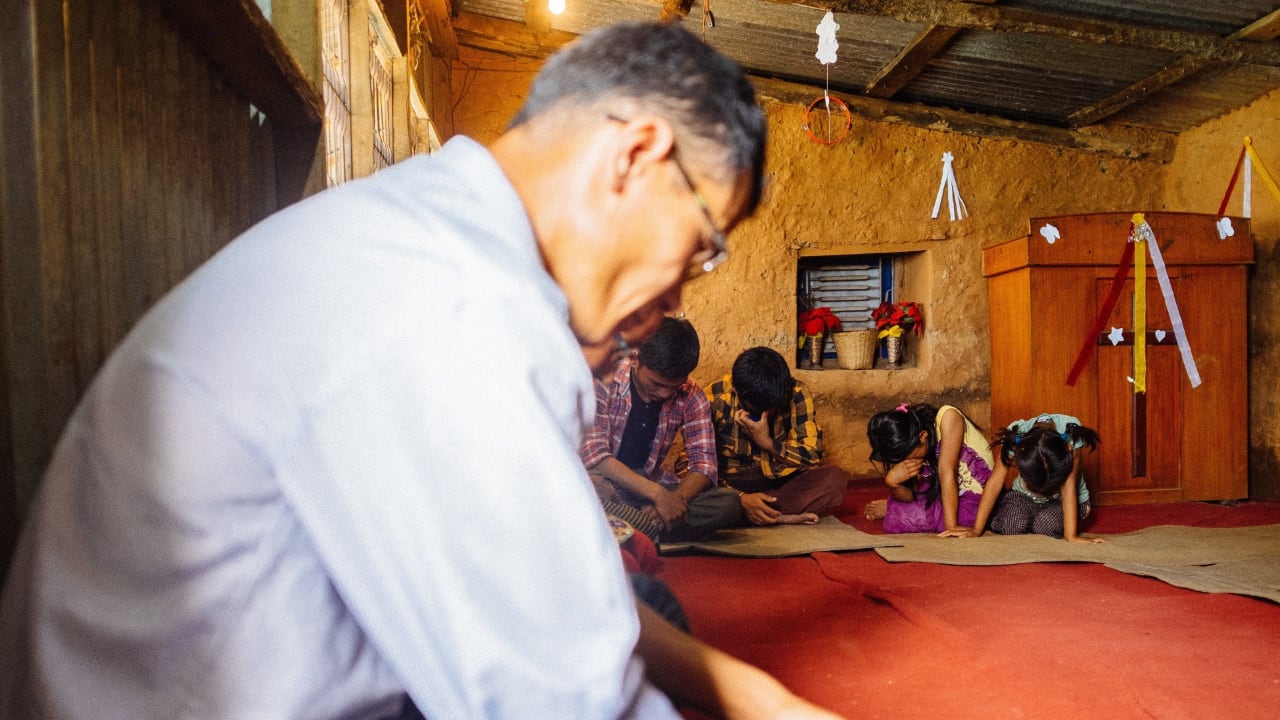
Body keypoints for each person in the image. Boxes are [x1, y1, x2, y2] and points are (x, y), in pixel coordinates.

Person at [0, 22, 843, 720]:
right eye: (700, 249)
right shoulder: (459, 308)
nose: (675, 296)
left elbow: (565, 604)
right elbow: (569, 705)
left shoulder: (416, 236)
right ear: (638, 156)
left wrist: (755, 698)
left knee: (643, 613)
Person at [583, 316, 742, 542]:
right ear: (635, 358)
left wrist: (672, 500)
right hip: (605, 482)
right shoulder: (600, 378)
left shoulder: (691, 395)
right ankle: (649, 529)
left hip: (647, 489)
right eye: (656, 384)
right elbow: (595, 456)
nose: (666, 394)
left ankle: (631, 529)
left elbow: (704, 466)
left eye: (674, 386)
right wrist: (658, 495)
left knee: (728, 504)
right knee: (584, 491)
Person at [706, 347, 849, 526]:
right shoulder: (714, 398)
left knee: (834, 480)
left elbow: (812, 456)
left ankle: (755, 514)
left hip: (778, 482)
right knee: (699, 496)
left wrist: (767, 443)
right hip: (731, 485)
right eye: (758, 410)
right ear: (737, 391)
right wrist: (740, 498)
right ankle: (759, 512)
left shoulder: (795, 392)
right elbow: (688, 467)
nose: (769, 413)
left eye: (772, 408)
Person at [969, 413, 1105, 543]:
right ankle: (1026, 520)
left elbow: (1068, 485)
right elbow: (995, 483)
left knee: (1045, 525)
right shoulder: (1016, 435)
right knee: (1012, 526)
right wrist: (977, 530)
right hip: (1024, 497)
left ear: (1067, 448)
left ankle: (1037, 522)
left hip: (1063, 501)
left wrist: (1071, 536)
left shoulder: (1071, 432)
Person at [864, 403, 994, 535]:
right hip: (945, 493)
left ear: (922, 436)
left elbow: (948, 472)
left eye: (906, 457)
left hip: (977, 497)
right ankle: (896, 508)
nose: (905, 462)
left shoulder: (948, 416)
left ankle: (895, 508)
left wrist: (951, 526)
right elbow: (911, 495)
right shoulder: (913, 444)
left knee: (911, 517)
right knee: (898, 517)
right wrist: (893, 483)